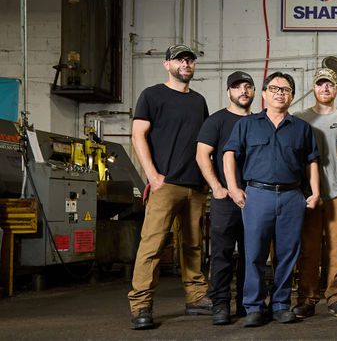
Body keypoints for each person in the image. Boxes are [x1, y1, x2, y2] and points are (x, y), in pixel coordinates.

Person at [223, 72, 321, 327]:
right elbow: (229, 154)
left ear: (292, 96)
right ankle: (254, 306)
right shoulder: (247, 124)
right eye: (275, 88)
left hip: (292, 196)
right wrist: (233, 187)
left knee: (288, 254)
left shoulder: (301, 128)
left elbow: (312, 161)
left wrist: (315, 192)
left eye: (286, 89)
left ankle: (280, 304)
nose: (280, 93)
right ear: (264, 94)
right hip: (258, 194)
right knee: (254, 253)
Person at [128, 44, 211, 330]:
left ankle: (197, 297)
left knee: (193, 244)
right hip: (166, 184)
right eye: (179, 60)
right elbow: (138, 135)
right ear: (167, 64)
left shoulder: (199, 101)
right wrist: (152, 175)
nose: (185, 64)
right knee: (151, 246)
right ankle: (141, 304)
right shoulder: (152, 95)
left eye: (189, 60)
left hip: (196, 186)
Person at [292, 68, 337, 319]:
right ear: (313, 88)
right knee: (308, 248)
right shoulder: (299, 118)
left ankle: (336, 296)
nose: (325, 89)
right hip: (309, 195)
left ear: (336, 89)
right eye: (320, 84)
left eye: (329, 85)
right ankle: (307, 297)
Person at [196, 71, 256, 325]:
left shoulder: (260, 121)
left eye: (248, 86)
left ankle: (246, 303)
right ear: (229, 91)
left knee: (251, 254)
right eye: (237, 87)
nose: (243, 91)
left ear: (254, 92)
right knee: (221, 254)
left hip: (255, 199)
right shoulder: (216, 121)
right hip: (226, 200)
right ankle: (220, 304)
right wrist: (218, 188)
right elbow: (202, 155)